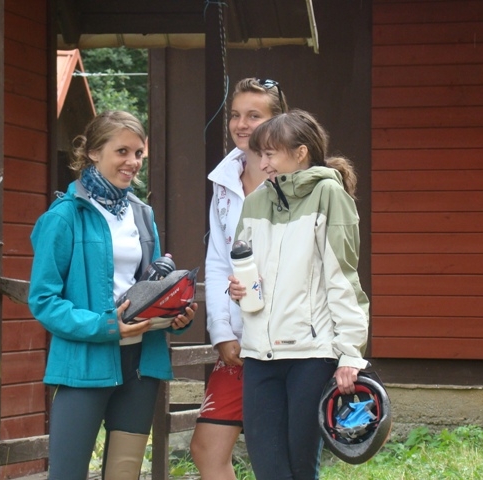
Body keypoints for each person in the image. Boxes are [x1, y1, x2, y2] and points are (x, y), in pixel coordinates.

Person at [28, 110, 198, 480]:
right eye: (122, 151)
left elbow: (152, 288)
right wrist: (105, 325)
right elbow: (43, 300)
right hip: (84, 363)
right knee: (67, 475)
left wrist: (176, 315)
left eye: (138, 153)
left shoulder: (142, 214)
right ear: (93, 152)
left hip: (140, 363)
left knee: (124, 473)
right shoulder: (64, 217)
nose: (132, 162)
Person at [228, 109, 369, 480]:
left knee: (300, 468)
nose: (262, 163)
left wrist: (350, 353)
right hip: (259, 353)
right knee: (268, 469)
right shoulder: (254, 202)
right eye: (259, 154)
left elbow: (343, 279)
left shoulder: (329, 194)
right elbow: (245, 269)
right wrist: (238, 289)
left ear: (301, 152)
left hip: (311, 355)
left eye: (270, 154)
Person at [190, 78, 288, 479]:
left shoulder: (296, 177)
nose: (241, 124)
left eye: (254, 115)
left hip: (288, 339)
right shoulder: (224, 180)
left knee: (278, 455)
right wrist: (220, 331)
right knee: (206, 449)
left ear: (277, 121)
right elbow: (218, 261)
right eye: (235, 115)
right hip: (239, 341)